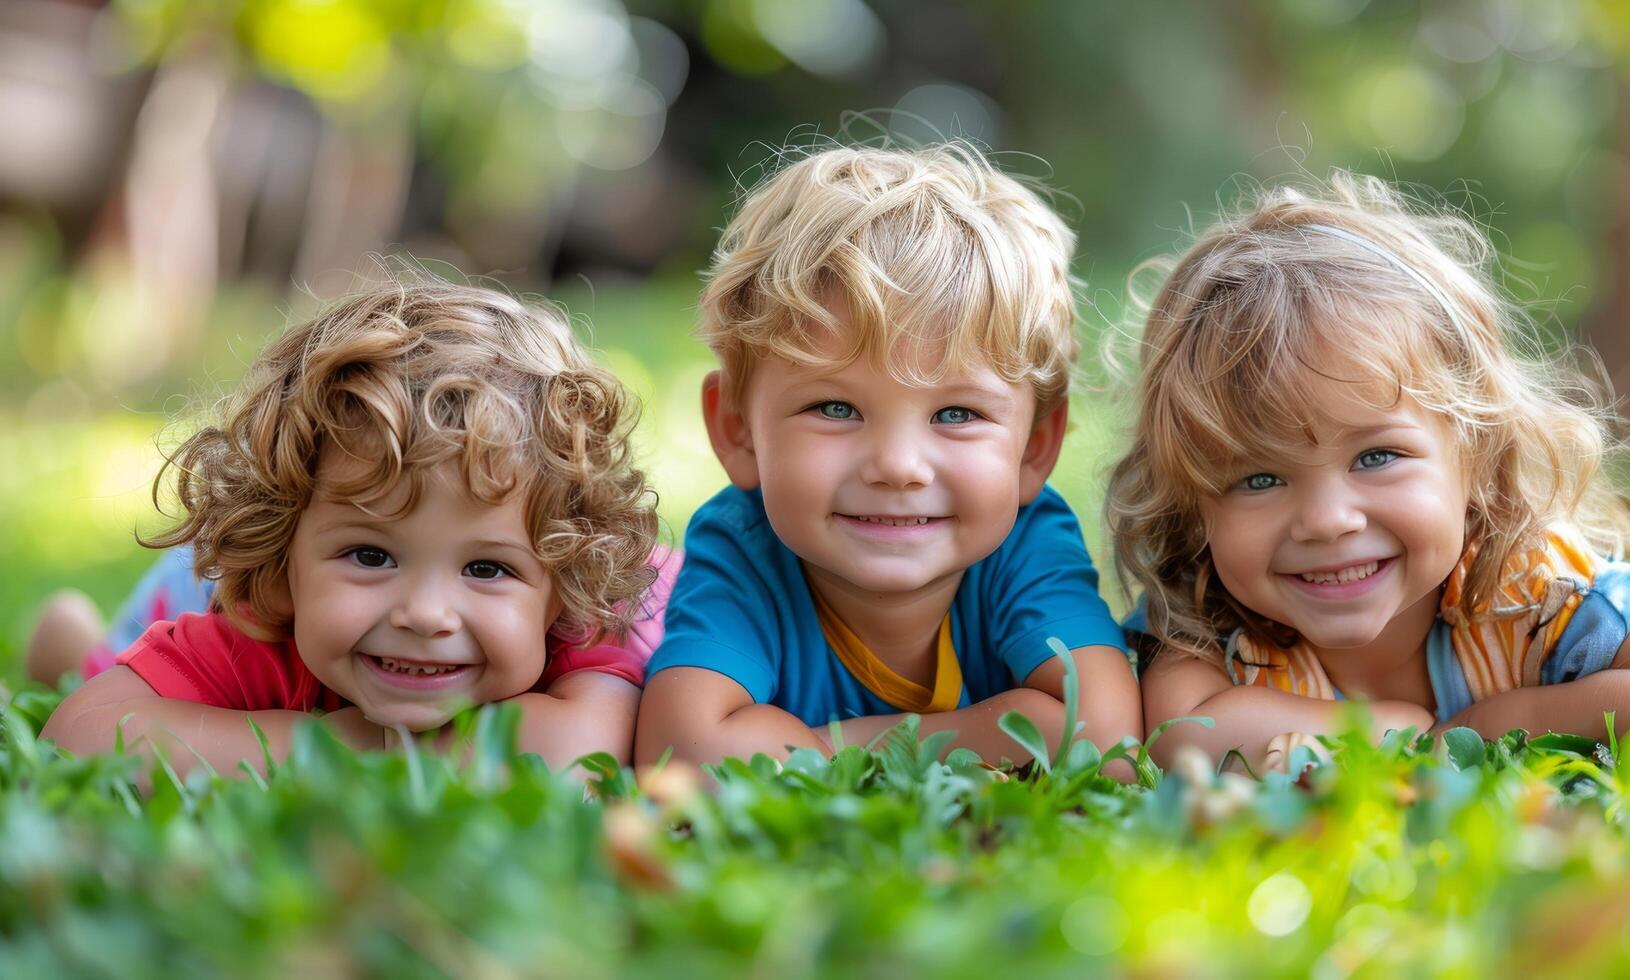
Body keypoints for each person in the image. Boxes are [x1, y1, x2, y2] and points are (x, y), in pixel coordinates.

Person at [1105, 171, 1630, 773]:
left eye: (1377, 457)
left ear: (1476, 453)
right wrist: (1400, 731)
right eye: (1259, 479)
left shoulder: (1529, 588)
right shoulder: (1205, 614)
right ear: (1193, 501)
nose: (1328, 520)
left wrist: (1496, 723)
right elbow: (1181, 737)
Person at [634, 143, 1140, 768]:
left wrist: (822, 748)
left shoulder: (1025, 543)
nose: (898, 466)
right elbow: (680, 754)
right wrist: (1004, 729)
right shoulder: (745, 545)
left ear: (1035, 447)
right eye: (836, 409)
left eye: (956, 415)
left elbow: (1106, 740)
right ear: (737, 431)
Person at [42, 270, 669, 775]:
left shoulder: (577, 628)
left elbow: (581, 752)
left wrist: (367, 748)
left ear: (563, 586)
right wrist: (332, 745)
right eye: (371, 555)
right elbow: (77, 735)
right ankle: (70, 641)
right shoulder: (262, 628)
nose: (425, 615)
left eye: (486, 568)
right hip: (187, 591)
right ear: (282, 560)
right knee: (87, 664)